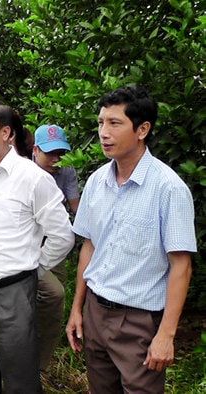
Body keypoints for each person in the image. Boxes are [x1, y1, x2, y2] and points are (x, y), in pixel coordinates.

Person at [66, 86, 195, 393]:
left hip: (138, 321)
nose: (103, 132)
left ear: (142, 129)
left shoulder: (169, 189)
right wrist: (77, 308)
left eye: (115, 123)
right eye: (100, 123)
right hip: (95, 313)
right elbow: (90, 246)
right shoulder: (97, 182)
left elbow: (181, 266)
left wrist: (166, 335)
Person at [0, 98, 75, 393]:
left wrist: (32, 268)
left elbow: (62, 236)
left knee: (20, 379)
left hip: (10, 295)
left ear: (7, 133)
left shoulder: (32, 178)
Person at [32, 124, 81, 371]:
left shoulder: (66, 171)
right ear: (35, 150)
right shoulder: (23, 171)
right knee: (46, 293)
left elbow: (75, 207)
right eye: (49, 153)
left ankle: (42, 362)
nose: (55, 159)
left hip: (56, 241)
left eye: (60, 153)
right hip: (28, 244)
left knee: (54, 300)